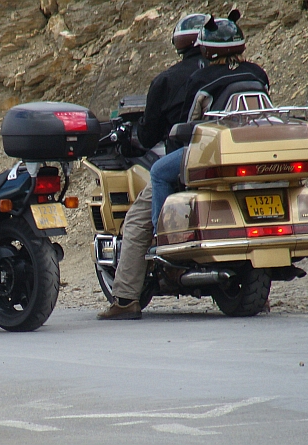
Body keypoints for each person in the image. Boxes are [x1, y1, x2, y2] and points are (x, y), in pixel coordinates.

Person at [97, 13, 208, 320]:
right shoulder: (225, 74)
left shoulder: (168, 79)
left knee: (135, 222)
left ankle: (126, 299)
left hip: (185, 162)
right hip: (225, 159)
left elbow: (147, 136)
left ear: (179, 44)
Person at [150, 10, 269, 231]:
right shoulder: (257, 73)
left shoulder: (202, 79)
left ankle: (163, 235)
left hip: (216, 152)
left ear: (207, 48)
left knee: (158, 172)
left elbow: (188, 123)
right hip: (258, 148)